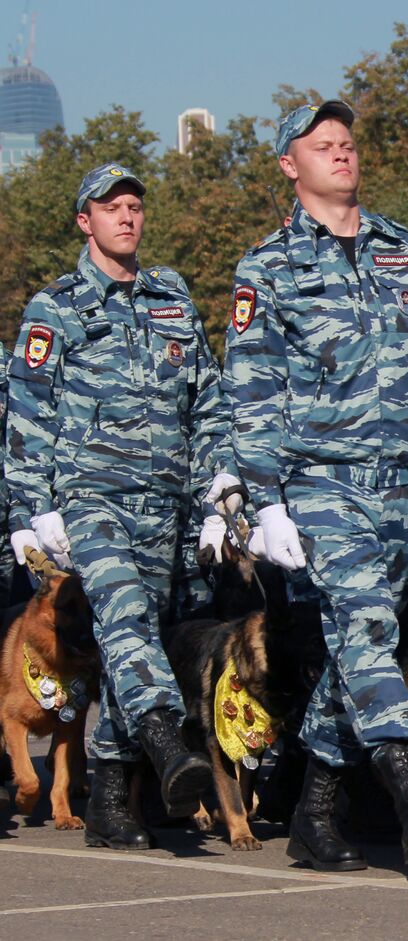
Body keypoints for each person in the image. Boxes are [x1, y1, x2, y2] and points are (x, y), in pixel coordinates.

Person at [222, 101, 408, 870]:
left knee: (357, 646)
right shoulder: (268, 268)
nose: (340, 152)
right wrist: (265, 500)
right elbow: (251, 389)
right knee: (363, 622)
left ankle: (315, 811)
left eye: (347, 142)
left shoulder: (407, 251)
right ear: (290, 167)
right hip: (322, 484)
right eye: (321, 144)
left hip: (402, 485)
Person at [5, 163, 235, 850]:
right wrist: (34, 509)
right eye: (111, 207)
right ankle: (166, 742)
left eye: (134, 205)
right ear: (86, 221)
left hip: (163, 506)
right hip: (90, 498)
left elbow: (207, 400)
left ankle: (108, 795)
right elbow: (27, 413)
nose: (127, 216)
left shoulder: (172, 297)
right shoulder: (57, 307)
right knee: (126, 617)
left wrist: (217, 495)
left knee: (132, 644)